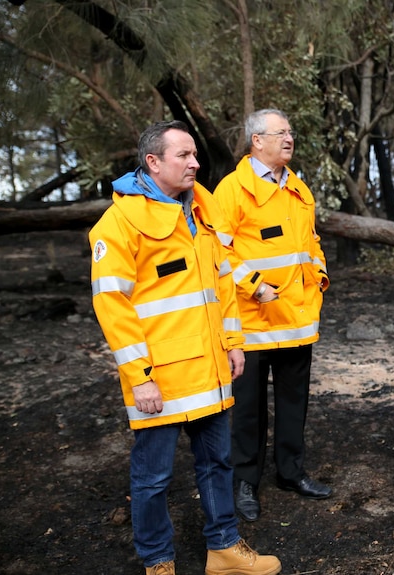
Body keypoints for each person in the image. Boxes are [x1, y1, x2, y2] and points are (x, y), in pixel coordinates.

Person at [89, 121, 280, 575]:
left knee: (217, 462)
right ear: (153, 162)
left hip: (211, 370)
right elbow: (111, 306)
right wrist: (140, 378)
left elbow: (221, 285)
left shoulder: (201, 210)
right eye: (184, 156)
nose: (196, 163)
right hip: (160, 379)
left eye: (195, 155)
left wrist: (233, 343)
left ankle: (224, 549)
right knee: (153, 479)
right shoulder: (118, 224)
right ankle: (158, 562)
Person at [213, 109, 331, 523]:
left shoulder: (298, 187)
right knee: (248, 409)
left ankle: (291, 473)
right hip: (252, 322)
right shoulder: (230, 191)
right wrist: (254, 284)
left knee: (294, 401)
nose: (289, 138)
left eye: (291, 132)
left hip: (297, 317)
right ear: (255, 141)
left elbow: (310, 241)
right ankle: (246, 482)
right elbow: (218, 252)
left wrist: (320, 273)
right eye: (280, 132)